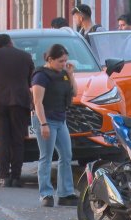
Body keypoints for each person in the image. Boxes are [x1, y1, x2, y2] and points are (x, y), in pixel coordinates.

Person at [0, 34, 34, 188]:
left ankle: (4, 177)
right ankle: (16, 177)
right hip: (19, 101)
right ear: (11, 42)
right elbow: (30, 80)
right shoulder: (25, 56)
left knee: (2, 140)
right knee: (18, 140)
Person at [31, 44, 78, 207]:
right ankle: (46, 194)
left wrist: (71, 74)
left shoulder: (64, 73)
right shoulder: (41, 76)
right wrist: (43, 124)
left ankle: (65, 193)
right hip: (46, 119)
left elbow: (74, 92)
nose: (63, 64)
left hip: (60, 119)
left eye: (65, 61)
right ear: (50, 59)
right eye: (60, 61)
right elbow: (37, 102)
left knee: (66, 155)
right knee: (46, 156)